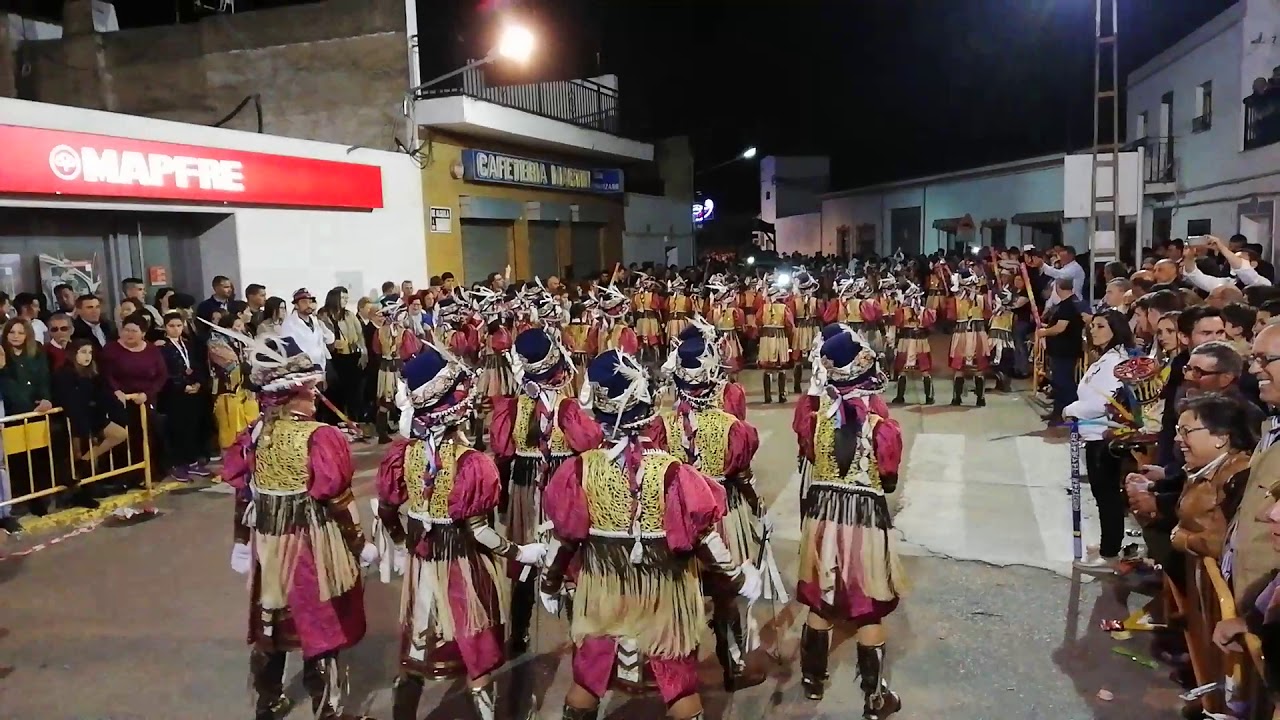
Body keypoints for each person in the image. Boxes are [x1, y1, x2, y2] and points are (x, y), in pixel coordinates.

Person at [541, 349, 761, 720]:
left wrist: (550, 583)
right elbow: (704, 537)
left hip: (602, 593)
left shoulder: (579, 470)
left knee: (587, 678)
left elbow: (567, 539)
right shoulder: (674, 473)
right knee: (678, 685)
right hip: (664, 598)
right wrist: (738, 577)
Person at [376, 347, 546, 720]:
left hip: (423, 564)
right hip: (463, 568)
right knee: (476, 652)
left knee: (417, 651)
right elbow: (480, 532)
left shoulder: (403, 455)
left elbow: (387, 509)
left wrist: (406, 545)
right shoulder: (473, 464)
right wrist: (522, 552)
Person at [220, 332, 378, 720]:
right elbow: (336, 498)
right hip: (312, 541)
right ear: (296, 392)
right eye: (309, 389)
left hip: (268, 542)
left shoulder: (254, 436)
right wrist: (359, 545)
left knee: (271, 622)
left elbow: (244, 496)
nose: (314, 395)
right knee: (321, 622)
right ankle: (329, 711)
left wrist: (242, 542)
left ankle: (267, 703)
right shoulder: (319, 437)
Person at [654, 322, 774, 691]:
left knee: (680, 590)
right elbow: (742, 477)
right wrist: (758, 508)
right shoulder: (732, 428)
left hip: (679, 516)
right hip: (723, 512)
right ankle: (733, 667)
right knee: (725, 592)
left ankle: (673, 674)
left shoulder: (663, 425)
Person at [792, 332, 904, 716]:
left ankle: (812, 682)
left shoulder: (815, 420)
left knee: (821, 600)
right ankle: (875, 699)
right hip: (863, 520)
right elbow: (888, 479)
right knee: (866, 607)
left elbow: (807, 454)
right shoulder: (880, 425)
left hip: (822, 517)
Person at [489, 327, 603, 656]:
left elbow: (502, 451)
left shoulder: (512, 407)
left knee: (526, 556)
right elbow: (588, 443)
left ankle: (519, 634)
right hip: (563, 487)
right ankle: (578, 631)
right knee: (568, 558)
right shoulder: (567, 409)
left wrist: (503, 501)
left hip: (525, 487)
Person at [1063, 310, 1135, 572]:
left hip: (1105, 436)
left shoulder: (1117, 361)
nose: (1094, 330)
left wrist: (1071, 410)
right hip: (1092, 434)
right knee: (1102, 494)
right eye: (1093, 326)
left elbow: (1104, 401)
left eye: (1101, 326)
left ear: (1116, 329)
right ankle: (1108, 544)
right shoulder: (1104, 358)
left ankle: (1110, 552)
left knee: (1107, 496)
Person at [52, 338, 126, 497]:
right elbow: (70, 402)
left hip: (93, 417)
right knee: (76, 452)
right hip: (74, 420)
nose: (87, 356)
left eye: (90, 352)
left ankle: (84, 462)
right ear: (74, 354)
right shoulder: (64, 373)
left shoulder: (92, 372)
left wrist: (116, 399)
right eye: (83, 352)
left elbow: (103, 392)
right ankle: (80, 489)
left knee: (120, 434)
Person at [157, 312, 212, 481]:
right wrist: (182, 385)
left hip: (192, 392)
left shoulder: (188, 344)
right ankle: (178, 463)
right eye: (172, 326)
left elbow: (195, 365)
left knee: (192, 426)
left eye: (179, 326)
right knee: (178, 428)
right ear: (165, 327)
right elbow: (165, 371)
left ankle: (192, 460)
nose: (176, 329)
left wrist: (197, 383)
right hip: (174, 394)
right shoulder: (162, 347)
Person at [208, 313, 262, 449]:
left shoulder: (245, 339)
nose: (239, 329)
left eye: (240, 325)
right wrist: (244, 366)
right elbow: (229, 363)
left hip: (248, 389)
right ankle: (229, 460)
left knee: (252, 422)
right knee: (230, 426)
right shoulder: (215, 342)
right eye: (236, 326)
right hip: (228, 389)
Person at [1038, 277, 1086, 424]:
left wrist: (1044, 332)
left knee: (1064, 383)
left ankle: (1070, 412)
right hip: (1061, 350)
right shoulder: (1070, 303)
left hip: (1065, 351)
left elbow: (1061, 327)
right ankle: (1058, 412)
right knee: (1058, 383)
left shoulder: (1068, 305)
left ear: (1058, 287)